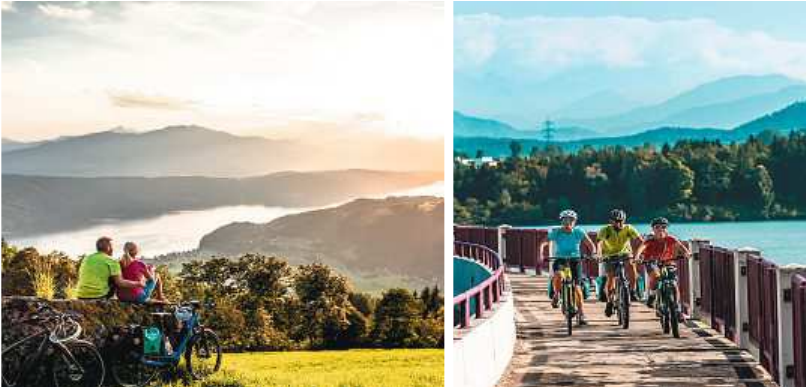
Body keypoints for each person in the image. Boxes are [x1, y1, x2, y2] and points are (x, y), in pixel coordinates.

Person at [540, 209, 597, 325]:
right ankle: (556, 295)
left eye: (571, 221)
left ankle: (581, 314)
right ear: (561, 222)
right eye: (565, 221)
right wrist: (541, 254)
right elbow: (544, 242)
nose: (568, 224)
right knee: (558, 275)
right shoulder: (556, 232)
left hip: (575, 260)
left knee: (577, 288)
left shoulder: (579, 232)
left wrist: (593, 253)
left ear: (574, 222)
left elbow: (590, 244)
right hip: (560, 259)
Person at [634, 217, 691, 310]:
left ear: (666, 229)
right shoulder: (650, 239)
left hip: (667, 261)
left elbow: (680, 246)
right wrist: (637, 257)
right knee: (655, 277)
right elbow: (641, 248)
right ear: (653, 229)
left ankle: (676, 308)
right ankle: (652, 295)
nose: (660, 229)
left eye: (663, 227)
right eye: (657, 227)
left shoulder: (670, 238)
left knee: (673, 282)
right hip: (651, 261)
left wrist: (687, 253)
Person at [597, 209, 644, 318]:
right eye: (615, 221)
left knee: (632, 267)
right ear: (611, 221)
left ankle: (632, 291)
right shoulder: (605, 230)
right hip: (609, 255)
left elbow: (640, 241)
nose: (618, 223)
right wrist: (599, 254)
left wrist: (640, 254)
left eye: (621, 221)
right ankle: (609, 302)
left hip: (625, 253)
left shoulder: (629, 228)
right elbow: (599, 243)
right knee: (610, 278)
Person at [76, 237, 145, 300]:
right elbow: (120, 283)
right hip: (98, 296)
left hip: (80, 295)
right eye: (112, 246)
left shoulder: (87, 258)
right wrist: (138, 283)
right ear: (109, 247)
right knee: (115, 277)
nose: (113, 249)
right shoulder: (111, 261)